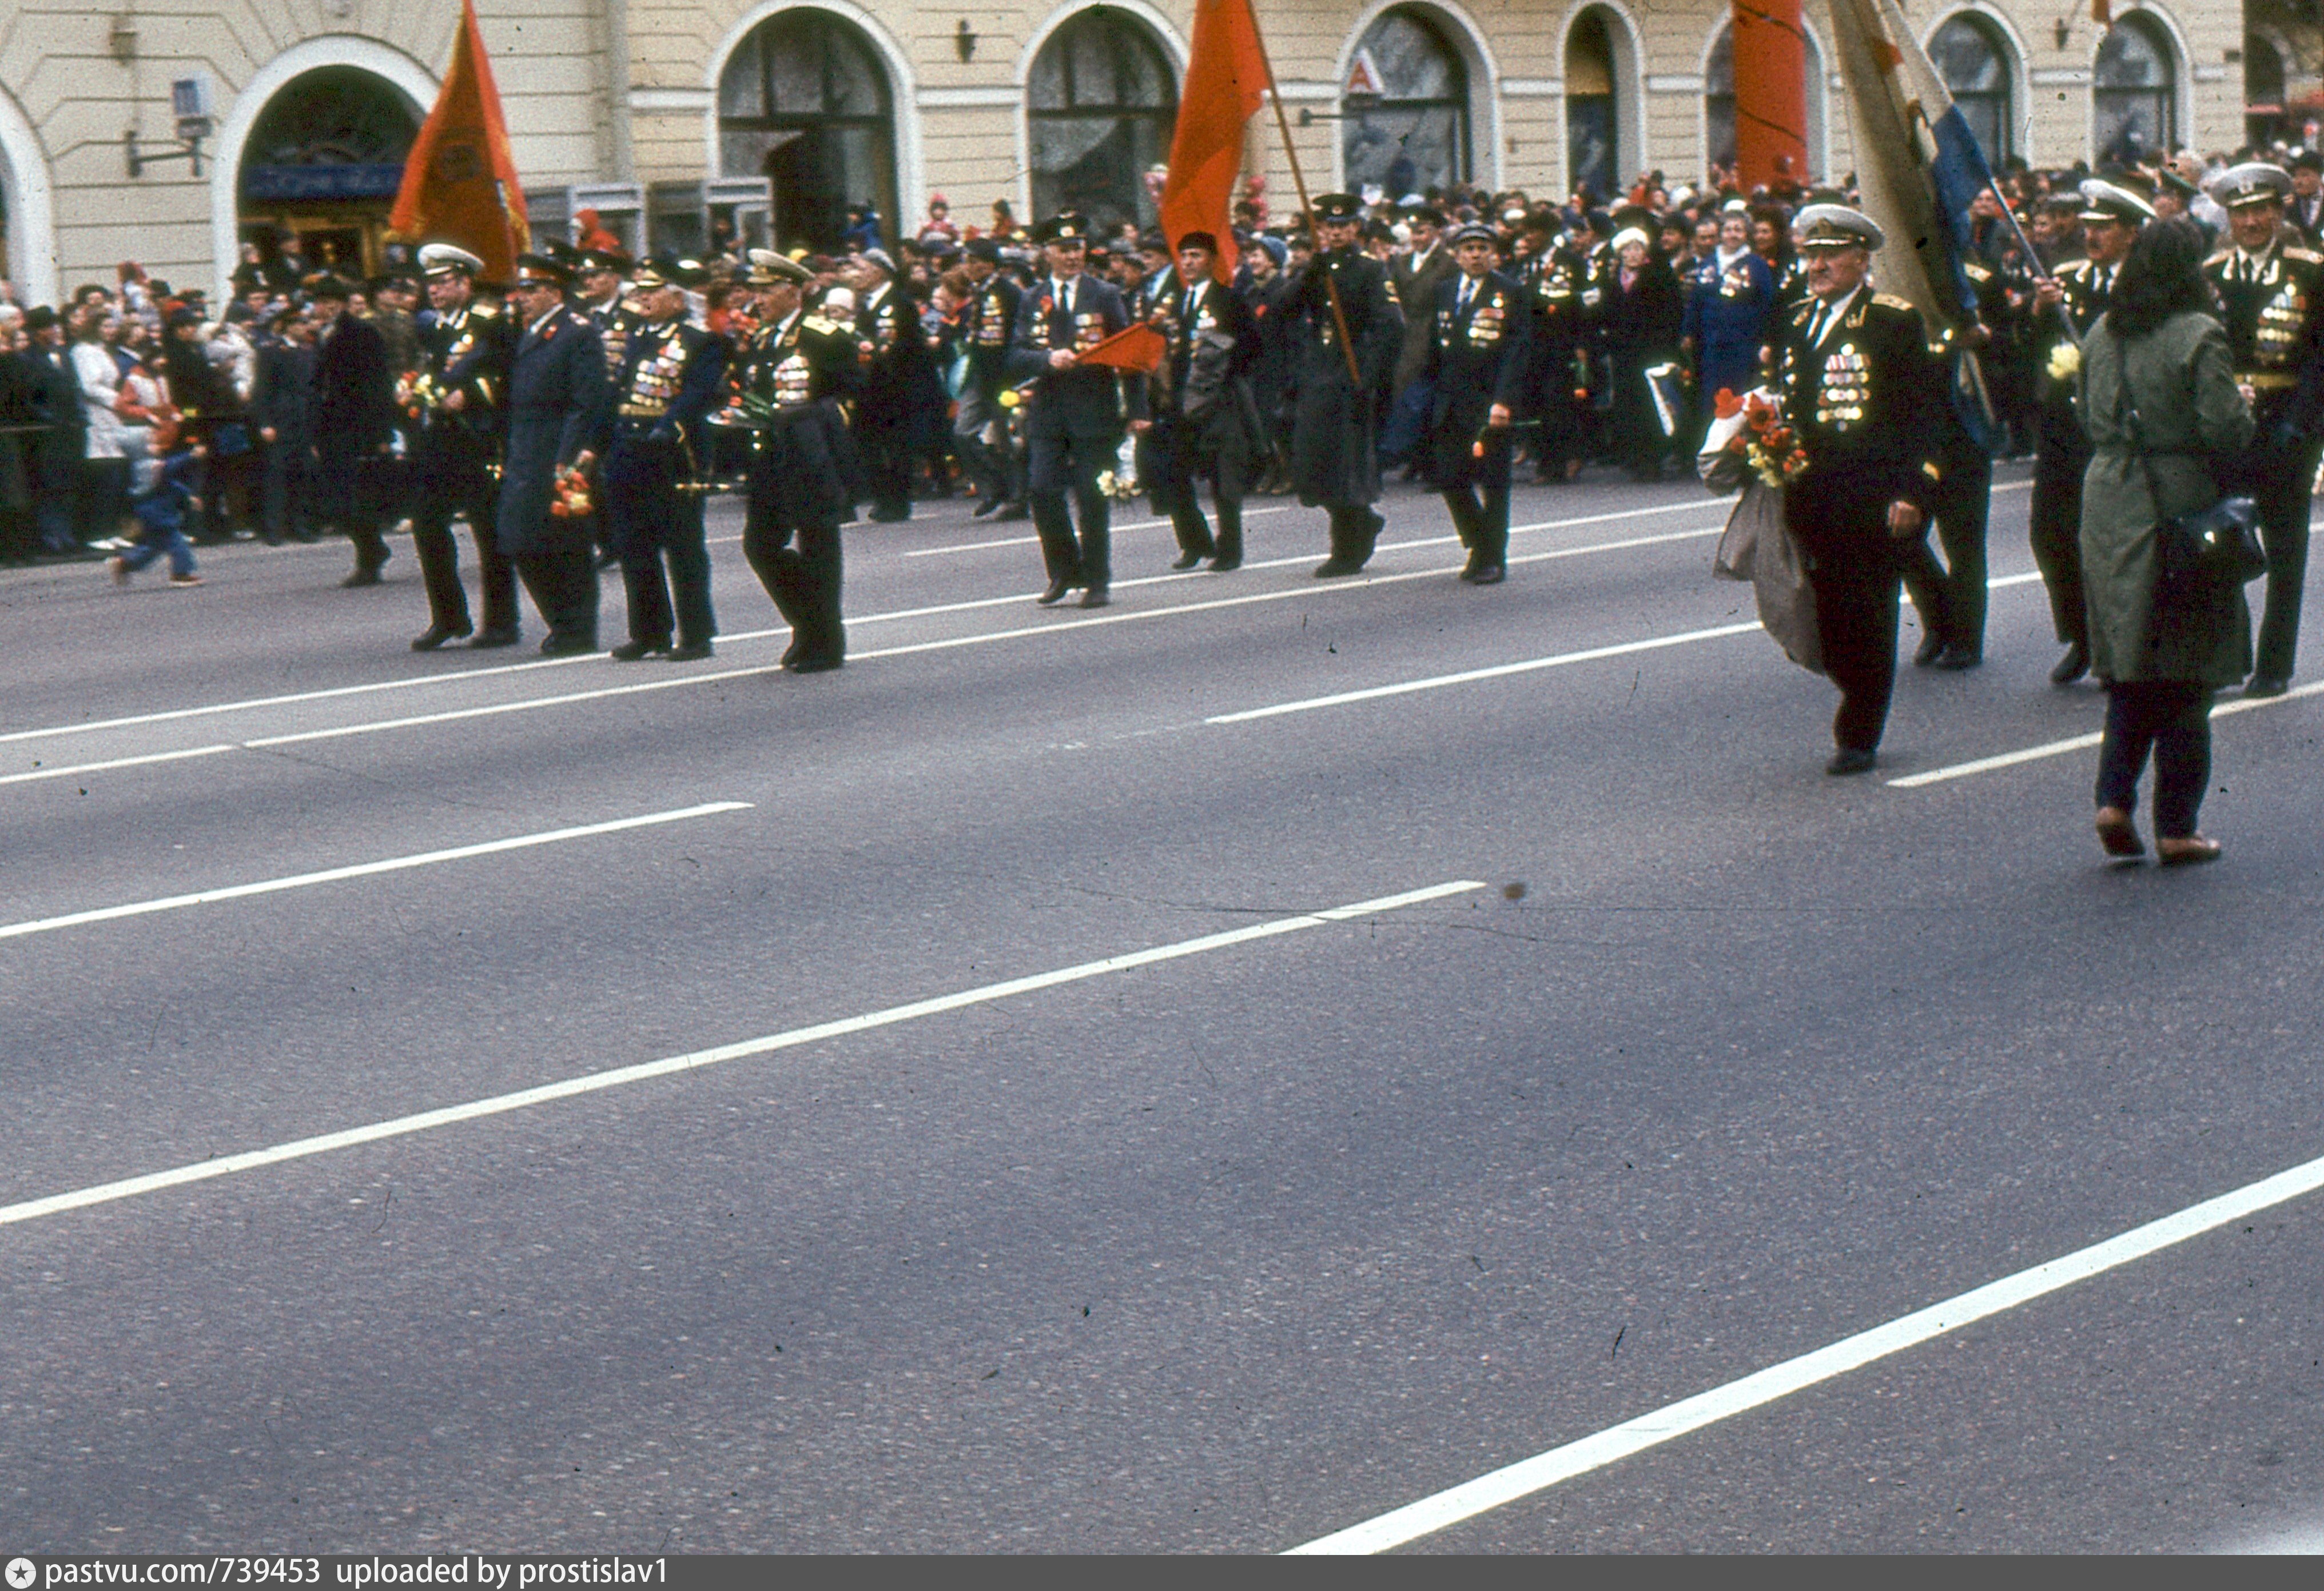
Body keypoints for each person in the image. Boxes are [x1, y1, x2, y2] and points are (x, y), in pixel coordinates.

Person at [2077, 217, 2255, 863]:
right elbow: (2223, 429)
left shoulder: (2101, 330)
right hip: (2176, 499)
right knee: (2187, 669)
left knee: (2128, 664)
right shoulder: (2198, 332)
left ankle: (2112, 798)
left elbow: (2085, 414)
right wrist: (2243, 403)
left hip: (2107, 498)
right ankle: (2177, 826)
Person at [1777, 206, 1948, 776]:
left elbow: (1923, 414)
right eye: (1810, 254)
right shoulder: (1797, 318)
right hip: (1811, 494)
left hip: (1871, 494)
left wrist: (1913, 492)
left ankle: (1859, 732)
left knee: (1869, 612)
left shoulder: (1891, 321)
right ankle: (1855, 689)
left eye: (1829, 255)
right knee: (1829, 615)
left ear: (1860, 259)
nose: (1817, 266)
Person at [2202, 162, 2323, 697]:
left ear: (2278, 213)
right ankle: (2229, 655)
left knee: (2285, 547)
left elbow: (2320, 357)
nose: (2250, 222)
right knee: (2220, 541)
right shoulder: (2211, 274)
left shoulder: (2310, 271)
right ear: (2228, 219)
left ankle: (2275, 664)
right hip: (2228, 426)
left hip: (2287, 422)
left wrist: (2300, 421)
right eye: (2241, 213)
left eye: (2260, 211)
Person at [2029, 179, 2150, 684]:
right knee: (2050, 534)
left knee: (2110, 544)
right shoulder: (2065, 281)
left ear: (2131, 233)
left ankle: (2115, 644)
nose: (2093, 235)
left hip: (2116, 429)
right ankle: (2080, 635)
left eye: (2106, 227)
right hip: (2065, 429)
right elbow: (2033, 350)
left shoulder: (2146, 285)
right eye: (2090, 226)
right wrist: (2038, 313)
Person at [1002, 212, 1141, 607]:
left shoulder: (1104, 294)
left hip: (1094, 411)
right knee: (1042, 489)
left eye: (1077, 248)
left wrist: (1137, 409)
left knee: (1092, 497)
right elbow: (1015, 354)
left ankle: (1097, 580)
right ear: (1047, 253)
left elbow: (1130, 353)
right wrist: (1047, 359)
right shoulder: (1032, 298)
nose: (1071, 256)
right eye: (1063, 249)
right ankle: (1064, 571)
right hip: (1048, 412)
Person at [737, 252, 862, 672]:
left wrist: (814, 422)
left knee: (818, 545)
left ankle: (825, 642)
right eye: (754, 291)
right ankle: (809, 623)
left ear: (792, 291)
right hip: (771, 456)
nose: (757, 300)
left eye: (765, 291)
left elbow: (852, 394)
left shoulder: (822, 336)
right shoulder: (762, 339)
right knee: (760, 544)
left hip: (812, 456)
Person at [604, 256, 728, 661]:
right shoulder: (634, 335)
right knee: (633, 543)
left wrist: (669, 425)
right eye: (640, 291)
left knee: (683, 545)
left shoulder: (698, 340)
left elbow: (699, 392)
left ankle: (696, 634)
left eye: (653, 291)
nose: (644, 298)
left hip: (673, 450)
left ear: (676, 297)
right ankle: (649, 631)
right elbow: (618, 390)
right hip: (630, 445)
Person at [495, 254, 610, 656]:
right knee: (520, 539)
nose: (522, 297)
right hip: (526, 452)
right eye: (521, 290)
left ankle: (577, 628)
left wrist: (569, 456)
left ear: (554, 292)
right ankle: (561, 620)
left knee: (567, 543)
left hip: (558, 451)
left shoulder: (576, 333)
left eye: (531, 290)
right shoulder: (529, 331)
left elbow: (586, 400)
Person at [406, 244, 518, 651]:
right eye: (430, 284)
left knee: (488, 531)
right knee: (427, 523)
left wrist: (470, 394)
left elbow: (507, 374)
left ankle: (502, 622)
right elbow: (432, 372)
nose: (435, 291)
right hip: (440, 437)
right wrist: (416, 390)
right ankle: (449, 616)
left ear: (465, 283)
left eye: (443, 282)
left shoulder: (489, 322)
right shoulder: (434, 327)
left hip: (478, 436)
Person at [1284, 193, 1402, 577]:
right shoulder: (1318, 267)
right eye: (1329, 226)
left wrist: (1370, 374)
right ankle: (1363, 521)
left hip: (1351, 373)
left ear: (1356, 228)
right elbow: (1282, 311)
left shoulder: (1370, 269)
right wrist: (1307, 276)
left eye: (1344, 226)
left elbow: (1391, 325)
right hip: (1319, 371)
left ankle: (1348, 548)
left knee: (1344, 465)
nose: (1336, 233)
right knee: (1314, 462)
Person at [1133, 232, 1262, 572]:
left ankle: (1230, 548)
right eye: (1185, 256)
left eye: (1197, 256)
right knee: (1171, 471)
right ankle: (1194, 542)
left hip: (1218, 399)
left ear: (1212, 261)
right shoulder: (1174, 300)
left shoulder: (1228, 300)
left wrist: (1224, 371)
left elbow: (1251, 345)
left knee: (1223, 476)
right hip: (1178, 400)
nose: (1189, 263)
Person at [1419, 223, 1533, 584]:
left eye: (1483, 248)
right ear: (1456, 256)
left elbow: (1516, 351)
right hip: (1451, 400)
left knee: (1494, 483)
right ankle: (1479, 543)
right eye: (1468, 249)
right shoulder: (1445, 290)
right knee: (1449, 478)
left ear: (1493, 254)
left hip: (1489, 401)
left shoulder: (1510, 291)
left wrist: (1504, 401)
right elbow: (1436, 347)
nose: (1476, 255)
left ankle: (1492, 558)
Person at [306, 275, 399, 585]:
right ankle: (372, 550)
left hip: (357, 427)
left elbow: (378, 383)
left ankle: (370, 556)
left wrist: (382, 432)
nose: (323, 309)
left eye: (329, 303)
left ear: (341, 304)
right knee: (337, 499)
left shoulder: (361, 333)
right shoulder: (322, 335)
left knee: (356, 498)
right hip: (331, 428)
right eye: (319, 303)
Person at [1598, 224, 1685, 481]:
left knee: (1650, 404)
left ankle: (1652, 460)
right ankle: (1633, 456)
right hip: (1623, 352)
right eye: (1627, 250)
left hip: (1651, 351)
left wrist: (1667, 347)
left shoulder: (1658, 276)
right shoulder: (1614, 280)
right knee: (1627, 404)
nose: (1633, 254)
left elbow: (1672, 312)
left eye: (1637, 249)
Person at [954, 238, 1025, 519]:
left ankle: (1017, 498)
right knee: (963, 432)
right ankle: (992, 487)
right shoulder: (979, 292)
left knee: (1005, 439)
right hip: (979, 373)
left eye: (974, 261)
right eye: (967, 261)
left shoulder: (1007, 292)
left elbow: (1011, 337)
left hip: (1002, 376)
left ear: (989, 264)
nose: (968, 267)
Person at [106, 414, 204, 587]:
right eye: (151, 443)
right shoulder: (147, 466)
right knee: (177, 543)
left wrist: (188, 495)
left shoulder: (150, 465)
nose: (157, 445)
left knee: (155, 546)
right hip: (156, 513)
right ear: (139, 449)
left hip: (156, 512)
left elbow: (171, 484)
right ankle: (181, 573)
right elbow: (169, 469)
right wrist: (191, 456)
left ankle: (125, 564)